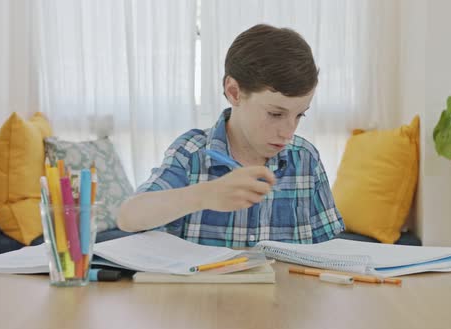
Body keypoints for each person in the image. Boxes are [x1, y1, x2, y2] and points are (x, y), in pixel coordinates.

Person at [118, 24, 344, 247]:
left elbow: (329, 251)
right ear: (234, 92)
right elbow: (129, 217)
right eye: (275, 113)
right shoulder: (191, 153)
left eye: (299, 115)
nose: (288, 132)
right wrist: (203, 195)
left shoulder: (305, 158)